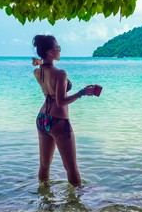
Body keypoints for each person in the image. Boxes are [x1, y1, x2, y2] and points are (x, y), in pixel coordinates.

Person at [32, 34, 95, 187]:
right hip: (58, 121)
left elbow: (44, 69)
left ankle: (44, 199)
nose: (60, 50)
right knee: (71, 167)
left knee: (44, 165)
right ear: (50, 52)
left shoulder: (38, 72)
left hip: (42, 119)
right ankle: (76, 205)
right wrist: (82, 93)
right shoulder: (61, 74)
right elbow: (61, 102)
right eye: (57, 48)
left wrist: (41, 62)